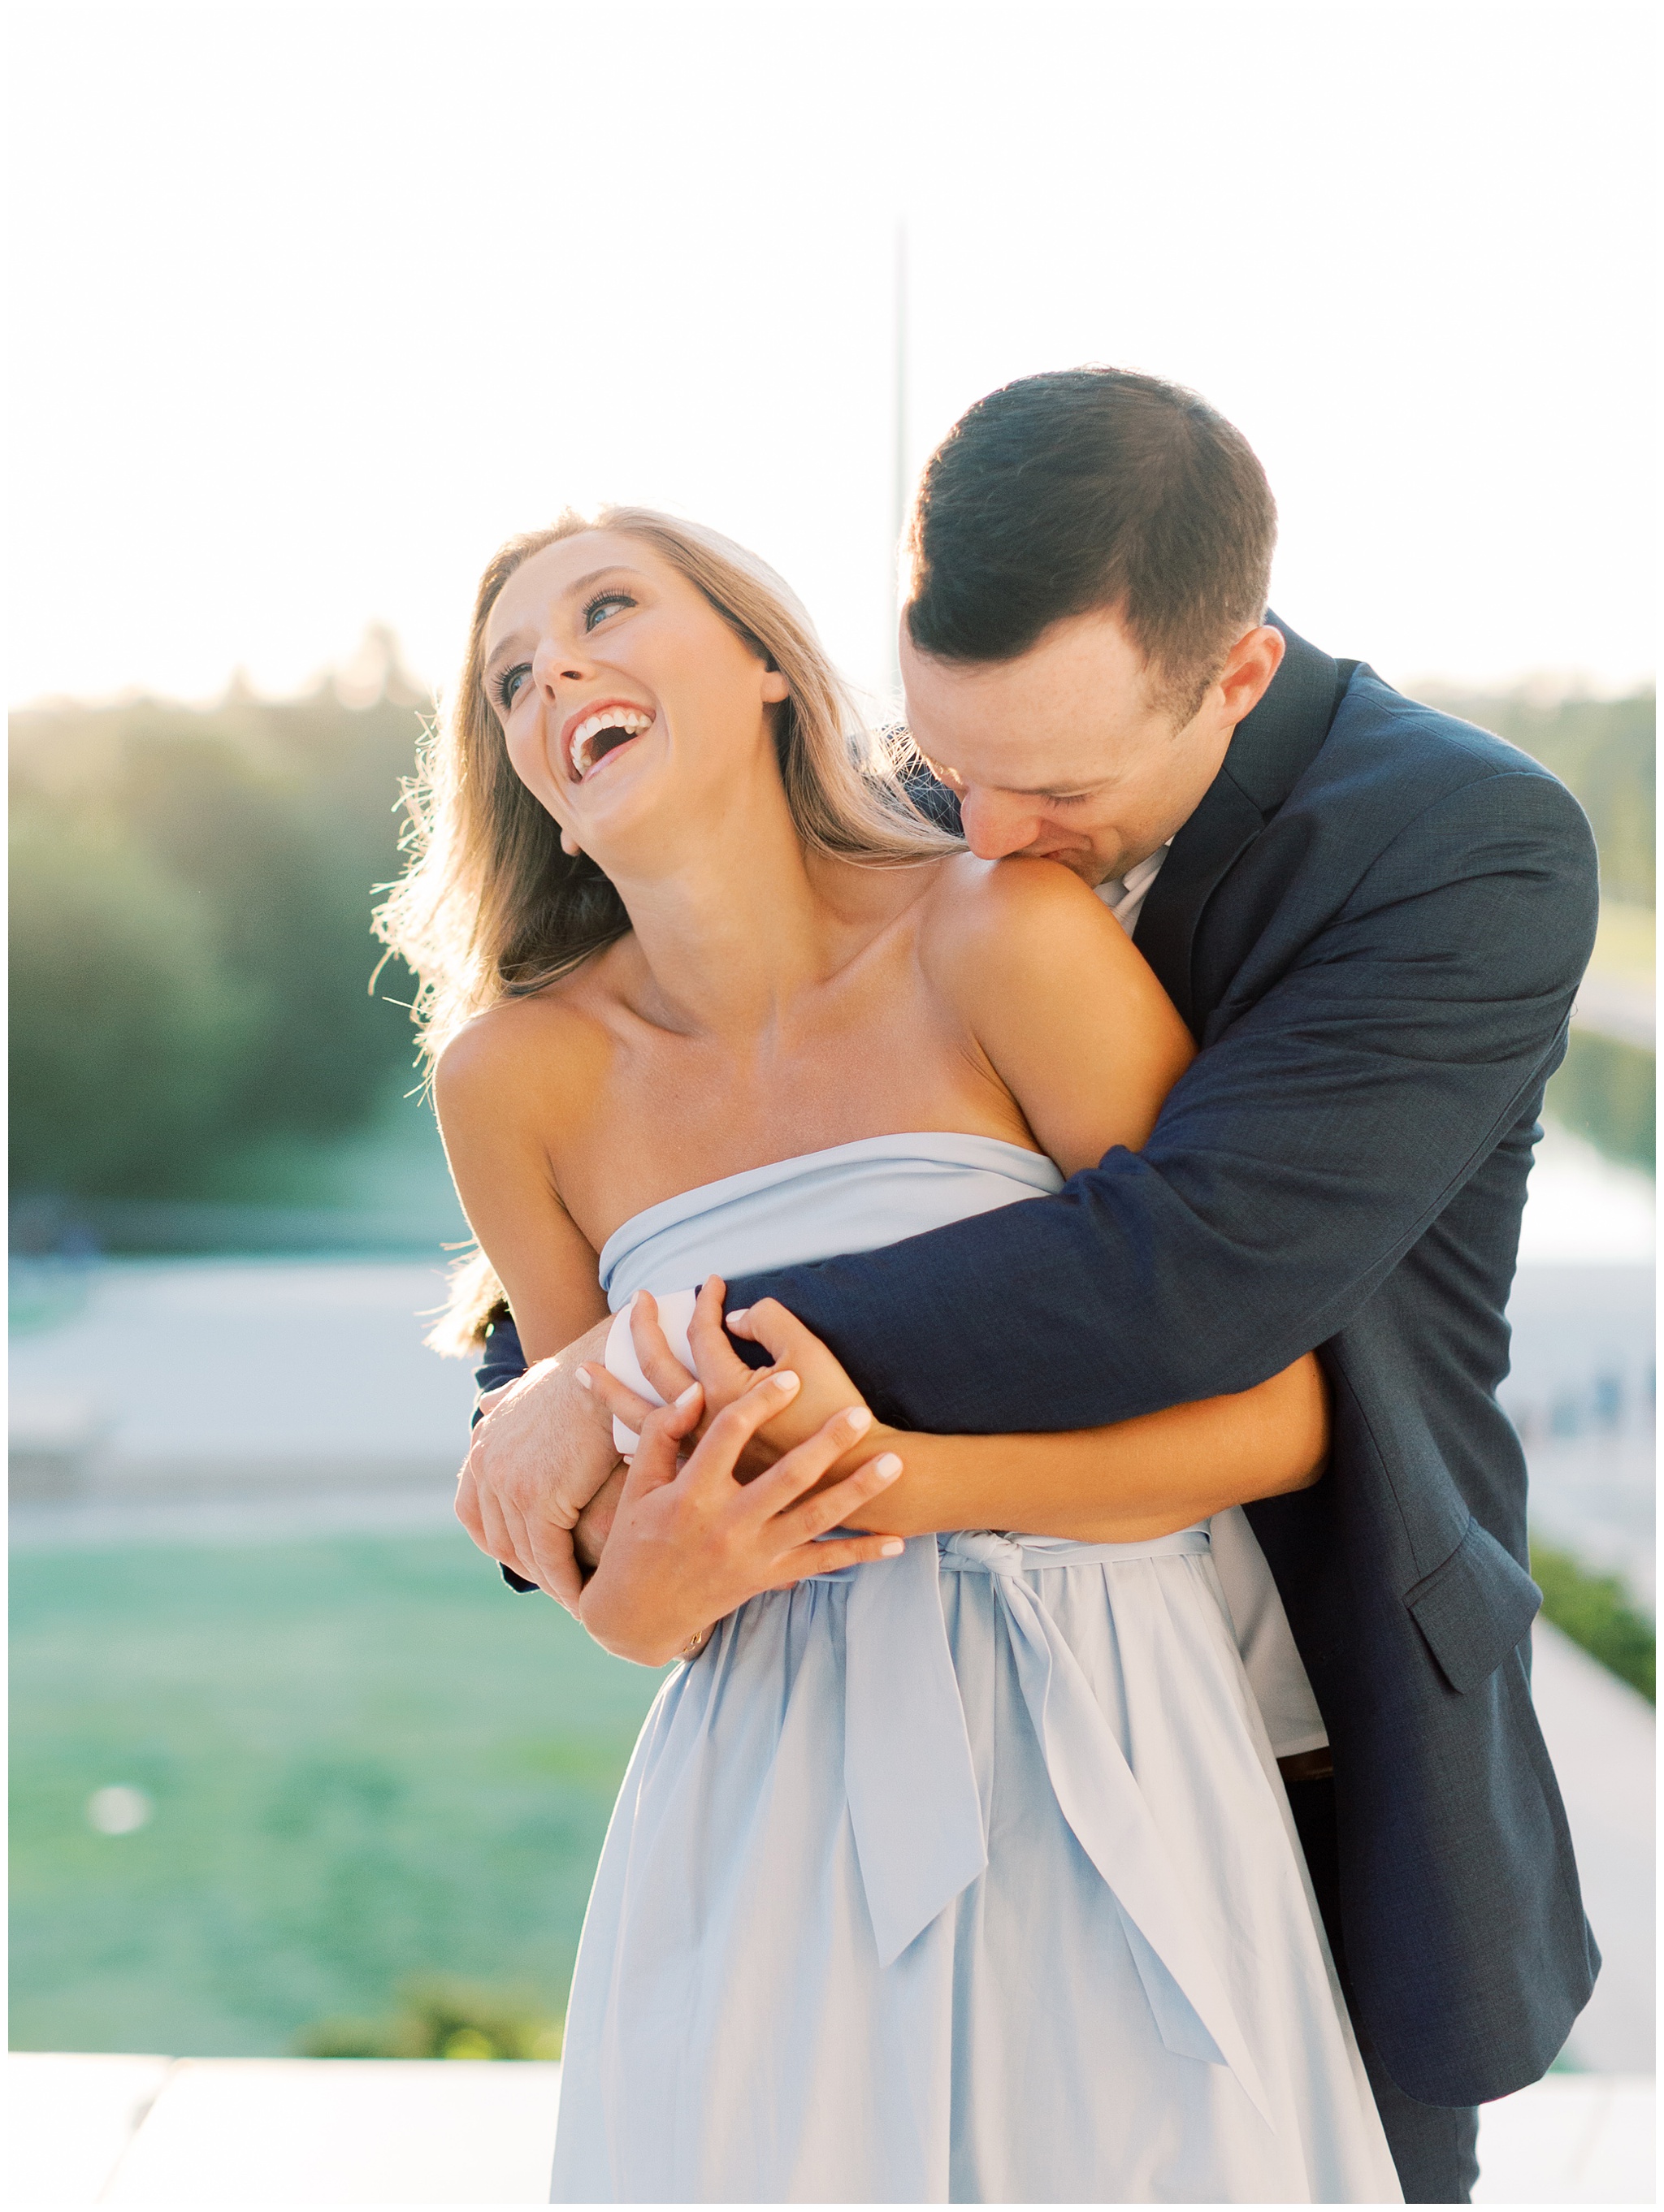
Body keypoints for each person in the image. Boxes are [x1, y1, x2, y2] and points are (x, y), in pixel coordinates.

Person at [451, 370, 1601, 2204]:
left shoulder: (1458, 850)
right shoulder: (914, 838)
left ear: (1232, 678)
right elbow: (545, 1381)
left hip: (1291, 1715)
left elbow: (1186, 1276)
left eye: (1055, 790)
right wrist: (602, 1535)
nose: (977, 826)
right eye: (943, 759)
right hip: (802, 1774)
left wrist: (647, 1376)